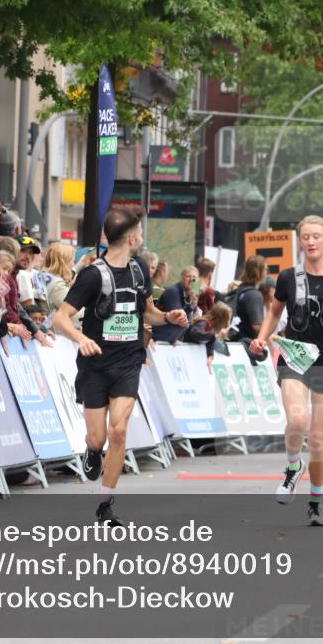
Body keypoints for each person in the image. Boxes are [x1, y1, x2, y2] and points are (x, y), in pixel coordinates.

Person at [52, 209, 188, 526]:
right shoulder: (92, 276)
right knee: (98, 438)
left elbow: (148, 314)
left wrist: (168, 317)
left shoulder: (140, 271)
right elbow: (59, 318)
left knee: (119, 430)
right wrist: (80, 337)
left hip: (128, 361)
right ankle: (92, 451)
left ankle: (105, 504)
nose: (141, 237)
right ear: (131, 238)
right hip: (95, 364)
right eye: (139, 232)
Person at [250, 215, 323, 526]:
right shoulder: (288, 277)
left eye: (316, 236)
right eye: (305, 237)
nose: (311, 242)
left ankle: (316, 501)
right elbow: (274, 313)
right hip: (295, 356)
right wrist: (261, 339)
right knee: (298, 419)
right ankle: (292, 466)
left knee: (317, 439)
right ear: (300, 241)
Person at [153, 266, 199, 343]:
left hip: (168, 339)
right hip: (156, 338)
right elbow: (179, 318)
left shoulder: (188, 296)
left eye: (194, 278)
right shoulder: (173, 291)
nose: (191, 280)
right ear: (182, 278)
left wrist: (192, 306)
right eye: (188, 276)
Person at [226, 254, 267, 343]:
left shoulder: (241, 288)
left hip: (233, 341)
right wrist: (272, 340)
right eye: (265, 269)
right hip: (247, 345)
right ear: (259, 272)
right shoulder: (254, 295)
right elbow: (257, 326)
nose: (266, 272)